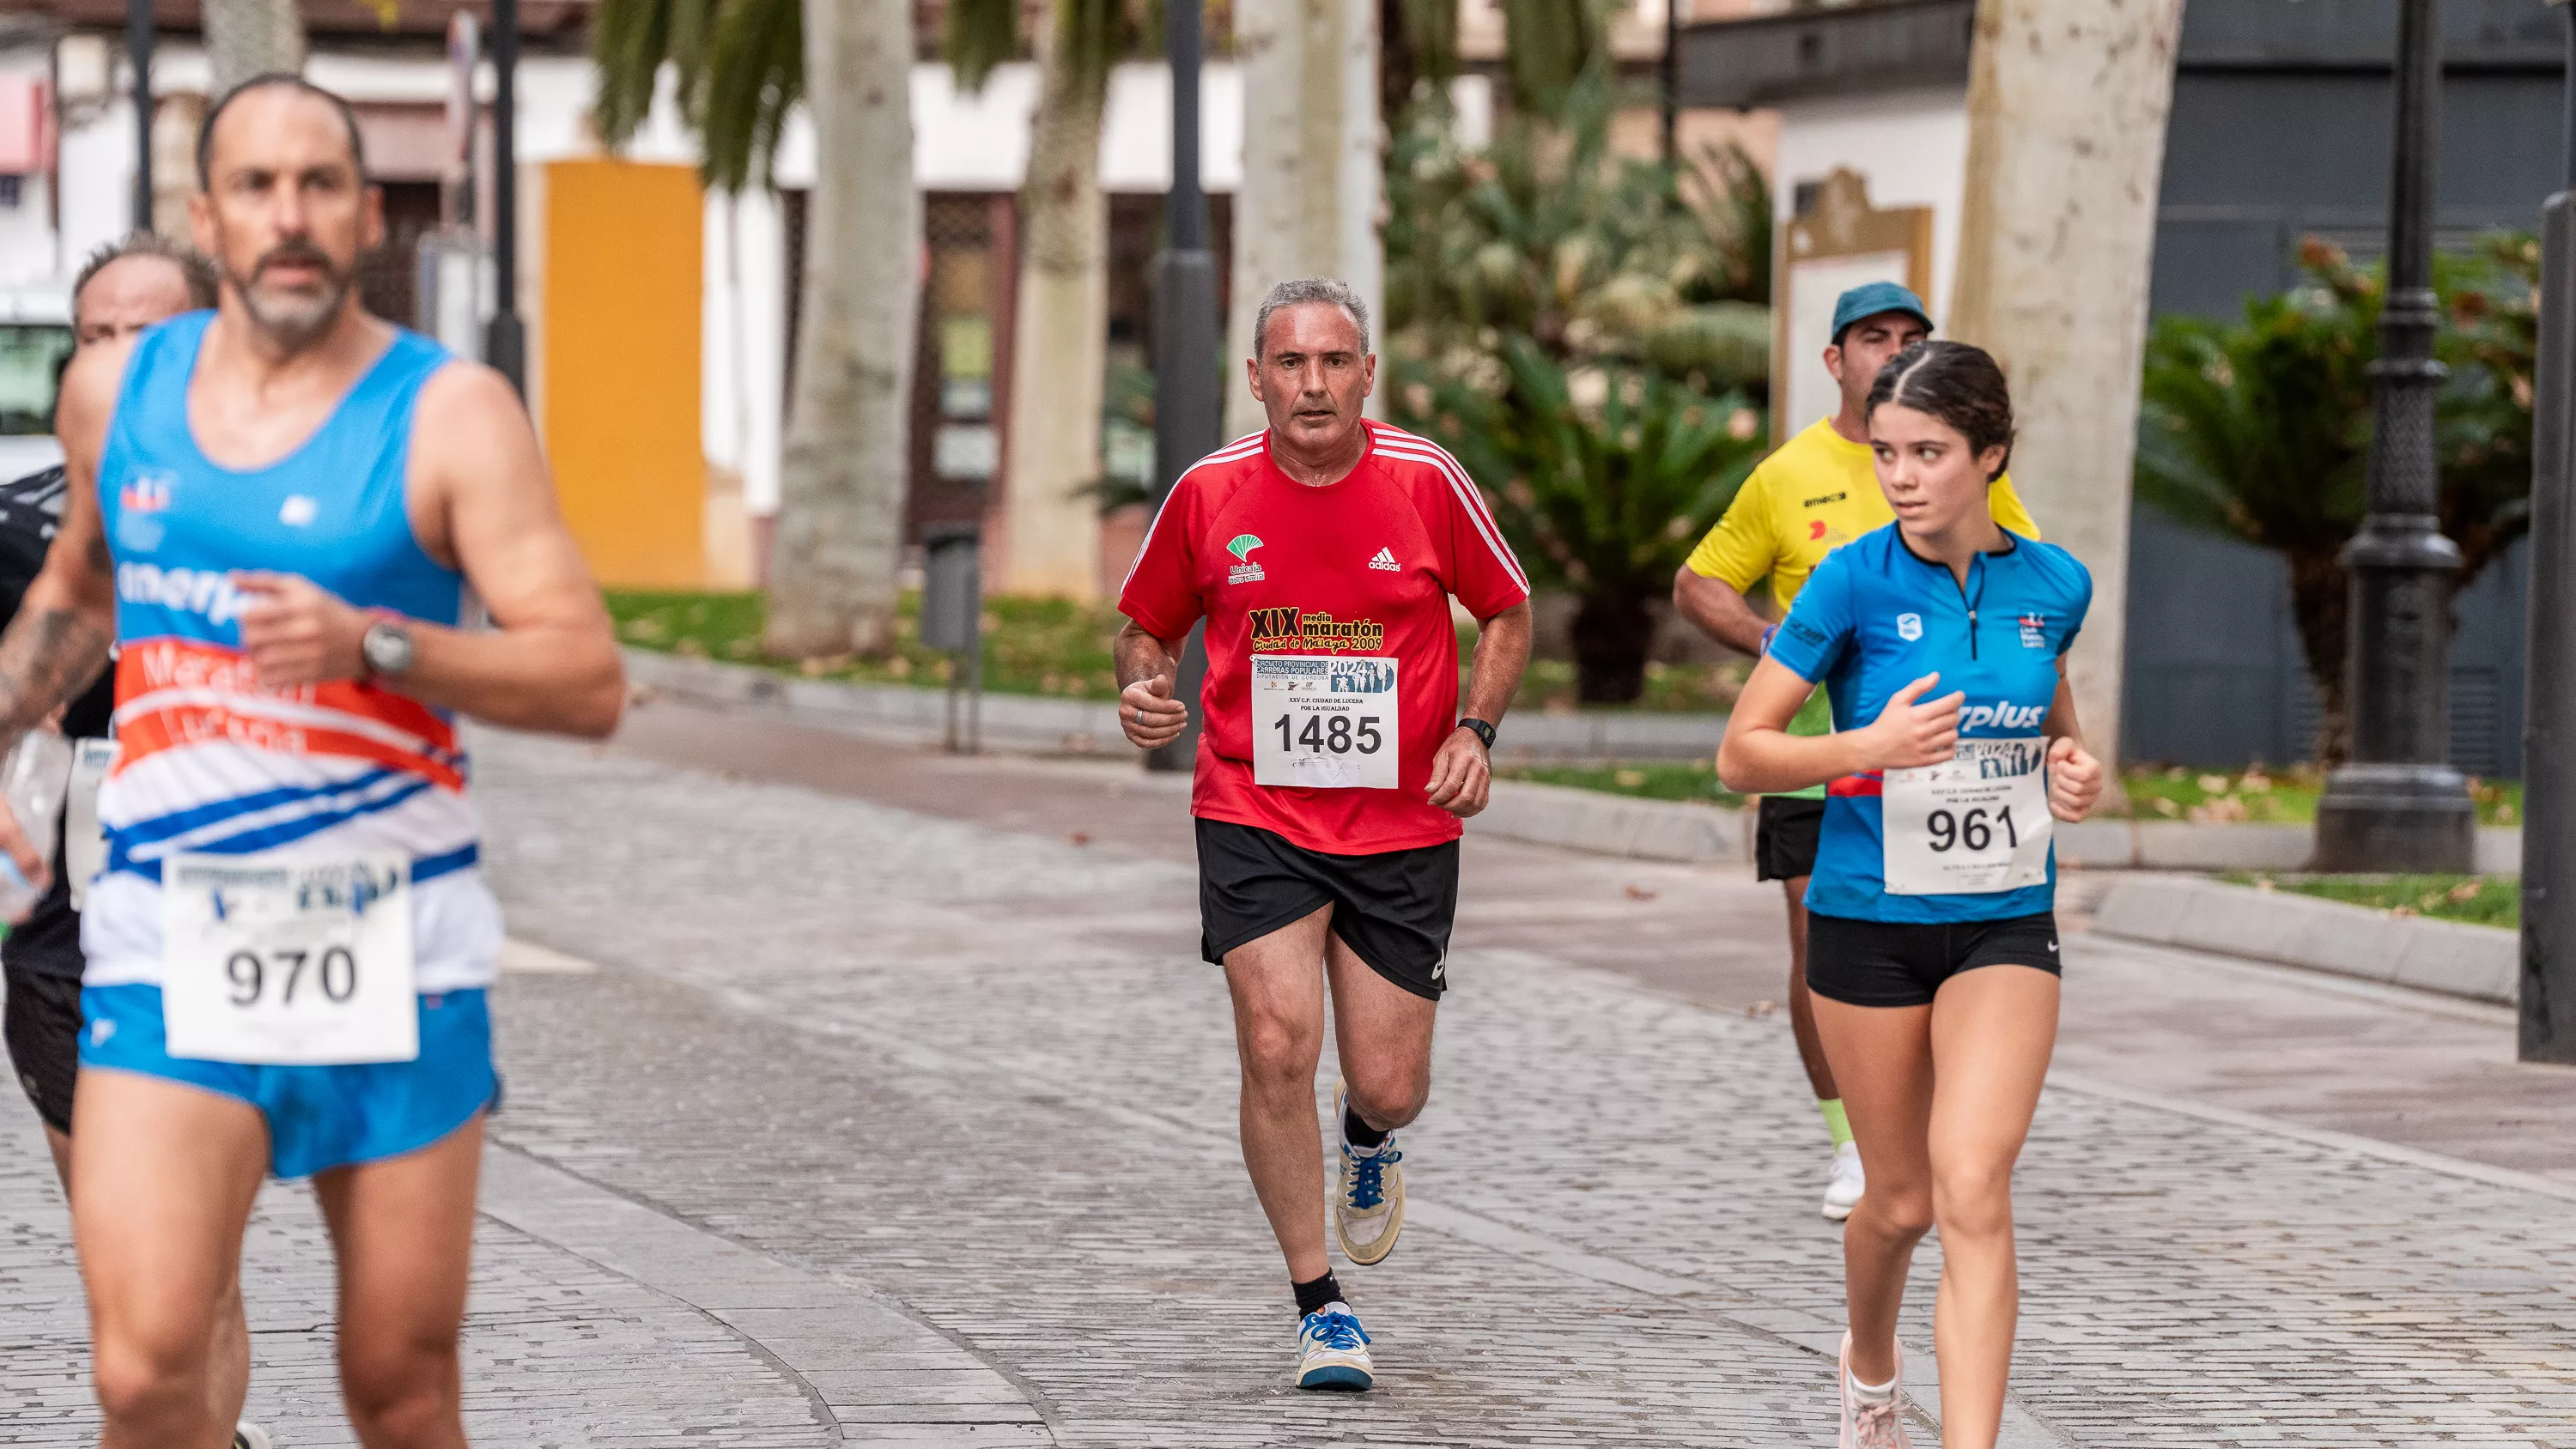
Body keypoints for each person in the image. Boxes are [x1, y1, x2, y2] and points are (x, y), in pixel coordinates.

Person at [0, 76, 623, 1448]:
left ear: (367, 213)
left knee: (397, 1388)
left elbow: (587, 678)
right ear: (207, 215)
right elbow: (79, 596)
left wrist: (377, 643)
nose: (289, 216)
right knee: (144, 1367)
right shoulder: (120, 395)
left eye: (320, 185)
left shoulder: (452, 412)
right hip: (171, 931)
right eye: (258, 187)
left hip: (391, 938)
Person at [1115, 277, 1534, 1391]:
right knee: (1272, 1040)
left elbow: (1507, 606)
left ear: (1367, 376)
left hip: (1402, 817)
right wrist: (1144, 687)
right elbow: (1144, 626)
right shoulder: (1209, 493)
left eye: (1334, 362)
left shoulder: (1424, 480)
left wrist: (1476, 731)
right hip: (1255, 808)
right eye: (1290, 364)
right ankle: (1321, 1306)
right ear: (1255, 378)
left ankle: (1367, 1135)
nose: (1313, 384)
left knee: (1390, 1081)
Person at [1716, 341, 2104, 1449]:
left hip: (2002, 923)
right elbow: (1740, 753)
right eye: (1888, 452)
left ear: (1990, 455)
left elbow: (2061, 738)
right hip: (1867, 927)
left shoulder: (2054, 585)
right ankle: (1870, 1365)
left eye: (1928, 452)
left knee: (1973, 1182)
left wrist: (2078, 773)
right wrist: (1869, 743)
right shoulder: (1851, 582)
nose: (1901, 475)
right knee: (1900, 1202)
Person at [1672, 282, 2041, 1222]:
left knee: (1947, 946)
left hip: (1942, 763)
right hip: (1814, 753)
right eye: (1873, 338)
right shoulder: (1787, 472)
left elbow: (2021, 583)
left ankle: (1933, 1131)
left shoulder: (1966, 468)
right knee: (1816, 942)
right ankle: (1851, 1142)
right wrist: (1782, 650)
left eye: (1911, 337)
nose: (1893, 351)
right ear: (1835, 360)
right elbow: (1700, 580)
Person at [0, 233, 270, 1449]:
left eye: (149, 333)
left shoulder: (297, 507)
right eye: (95, 334)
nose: (116, 357)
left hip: (246, 925)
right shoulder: (17, 529)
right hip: (69, 949)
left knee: (192, 1271)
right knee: (145, 1282)